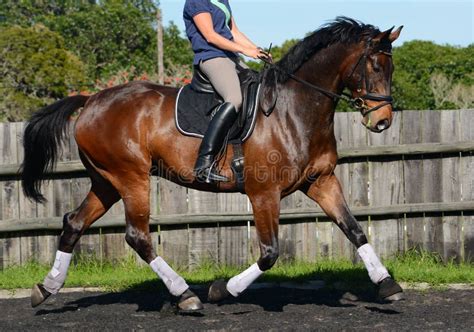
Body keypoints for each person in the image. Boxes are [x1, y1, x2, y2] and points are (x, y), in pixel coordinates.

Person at [183, 0, 269, 183]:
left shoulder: (222, 1)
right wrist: (245, 50)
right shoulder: (196, 1)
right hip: (211, 56)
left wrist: (256, 50)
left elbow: (234, 32)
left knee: (260, 89)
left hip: (231, 57)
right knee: (235, 98)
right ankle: (204, 163)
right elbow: (210, 36)